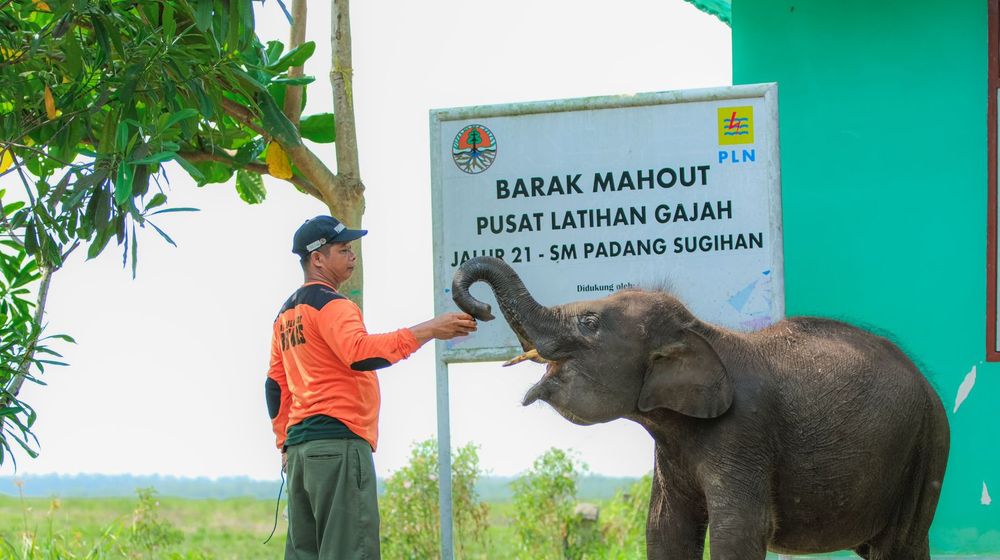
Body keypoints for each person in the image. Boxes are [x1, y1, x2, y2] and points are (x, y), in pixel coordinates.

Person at [265, 215, 477, 560]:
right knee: (350, 551)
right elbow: (359, 353)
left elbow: (275, 387)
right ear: (317, 258)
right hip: (338, 446)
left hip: (303, 454)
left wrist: (285, 445)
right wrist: (429, 330)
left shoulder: (284, 317)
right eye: (343, 249)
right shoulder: (332, 305)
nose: (353, 256)